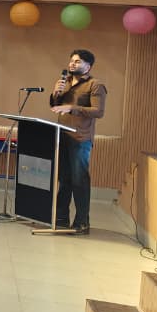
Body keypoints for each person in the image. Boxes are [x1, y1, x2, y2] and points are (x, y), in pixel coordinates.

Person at [49, 48, 108, 236]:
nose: (72, 64)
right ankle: (61, 218)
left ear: (88, 66)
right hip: (62, 137)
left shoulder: (95, 85)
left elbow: (98, 111)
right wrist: (55, 93)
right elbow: (55, 106)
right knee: (64, 179)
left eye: (77, 61)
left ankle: (82, 222)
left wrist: (72, 108)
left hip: (81, 138)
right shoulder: (64, 82)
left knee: (79, 180)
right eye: (71, 60)